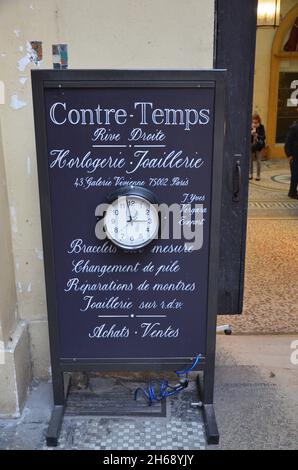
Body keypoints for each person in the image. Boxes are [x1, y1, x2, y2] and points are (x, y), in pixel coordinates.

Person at [250, 113, 266, 181]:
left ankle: (258, 175)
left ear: (258, 121)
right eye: (253, 122)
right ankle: (250, 174)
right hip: (251, 145)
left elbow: (264, 137)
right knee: (250, 160)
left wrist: (257, 135)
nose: (254, 123)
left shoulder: (261, 127)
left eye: (256, 122)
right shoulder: (250, 126)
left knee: (258, 161)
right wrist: (251, 133)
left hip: (258, 146)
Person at [285, 119, 298, 199]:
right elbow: (288, 142)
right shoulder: (294, 127)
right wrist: (289, 155)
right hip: (294, 155)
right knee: (295, 174)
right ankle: (292, 192)